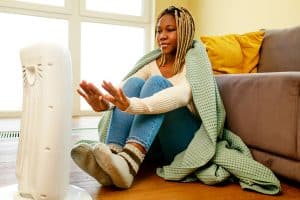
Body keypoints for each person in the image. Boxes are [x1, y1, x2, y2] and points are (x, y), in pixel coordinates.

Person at [71, 6, 281, 194]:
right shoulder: (152, 62)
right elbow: (126, 94)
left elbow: (180, 95)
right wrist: (105, 104)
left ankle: (127, 164)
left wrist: (133, 105)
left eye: (170, 30)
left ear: (185, 31)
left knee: (156, 84)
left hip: (183, 140)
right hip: (155, 143)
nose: (162, 35)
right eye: (159, 31)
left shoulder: (195, 61)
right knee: (134, 85)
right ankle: (113, 158)